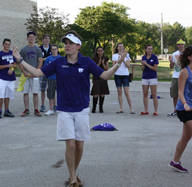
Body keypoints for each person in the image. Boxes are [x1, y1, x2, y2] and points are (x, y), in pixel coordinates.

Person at [13, 30, 128, 187]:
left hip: (81, 109)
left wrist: (119, 63)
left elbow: (105, 76)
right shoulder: (58, 62)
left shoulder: (86, 62)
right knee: (71, 144)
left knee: (80, 145)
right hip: (64, 110)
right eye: (65, 43)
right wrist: (20, 60)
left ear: (78, 46)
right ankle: (73, 178)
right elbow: (37, 72)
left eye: (70, 43)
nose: (67, 46)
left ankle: (74, 171)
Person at [168, 44, 192, 177]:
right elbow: (180, 91)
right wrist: (185, 103)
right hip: (184, 109)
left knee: (185, 138)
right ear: (189, 57)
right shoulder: (184, 72)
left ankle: (175, 161)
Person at [19, 31, 43, 117]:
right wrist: (24, 71)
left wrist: (36, 72)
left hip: (34, 75)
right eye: (30, 37)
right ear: (27, 38)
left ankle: (36, 109)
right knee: (25, 92)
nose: (31, 38)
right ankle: (26, 109)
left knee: (35, 92)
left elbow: (40, 62)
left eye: (33, 37)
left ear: (35, 38)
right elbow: (19, 62)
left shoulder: (38, 49)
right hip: (25, 75)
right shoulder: (23, 49)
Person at [0, 38, 17, 119]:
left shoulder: (12, 53)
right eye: (6, 44)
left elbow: (15, 64)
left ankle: (6, 110)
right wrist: (7, 66)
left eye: (9, 44)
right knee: (0, 94)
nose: (7, 45)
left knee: (8, 95)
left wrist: (12, 69)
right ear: (3, 44)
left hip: (10, 78)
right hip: (2, 78)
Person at [112, 42, 134, 114]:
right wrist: (119, 60)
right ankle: (121, 108)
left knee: (127, 92)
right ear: (117, 48)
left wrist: (123, 58)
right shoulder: (114, 56)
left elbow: (128, 66)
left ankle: (131, 109)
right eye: (120, 46)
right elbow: (114, 66)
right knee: (119, 92)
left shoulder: (127, 55)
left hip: (125, 75)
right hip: (117, 75)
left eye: (122, 46)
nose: (121, 48)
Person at [168, 39, 185, 116]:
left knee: (184, 93)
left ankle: (184, 109)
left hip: (185, 75)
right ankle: (176, 109)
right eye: (179, 44)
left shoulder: (187, 53)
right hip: (176, 76)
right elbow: (171, 67)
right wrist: (171, 61)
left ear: (184, 44)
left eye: (182, 44)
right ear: (177, 45)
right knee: (175, 93)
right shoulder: (174, 54)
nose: (180, 45)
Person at [140, 44, 159, 116]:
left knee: (154, 94)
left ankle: (155, 111)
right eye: (148, 49)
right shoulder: (143, 57)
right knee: (145, 94)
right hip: (145, 77)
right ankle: (146, 110)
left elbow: (155, 68)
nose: (150, 50)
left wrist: (147, 64)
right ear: (145, 50)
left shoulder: (155, 57)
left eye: (151, 49)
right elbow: (142, 69)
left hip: (153, 77)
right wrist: (143, 65)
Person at [90, 46, 109, 113]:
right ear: (97, 52)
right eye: (99, 51)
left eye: (101, 50)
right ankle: (94, 107)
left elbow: (106, 69)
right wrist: (98, 63)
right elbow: (93, 68)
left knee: (102, 93)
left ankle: (101, 107)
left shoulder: (106, 59)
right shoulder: (94, 59)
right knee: (96, 93)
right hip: (97, 77)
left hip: (103, 77)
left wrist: (103, 63)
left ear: (103, 51)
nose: (100, 52)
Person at [44, 44, 61, 116]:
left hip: (59, 78)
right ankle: (51, 109)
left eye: (55, 49)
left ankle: (60, 108)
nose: (54, 50)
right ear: (51, 50)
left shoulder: (60, 58)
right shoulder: (48, 59)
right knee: (51, 94)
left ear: (57, 50)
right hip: (51, 78)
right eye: (53, 49)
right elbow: (45, 68)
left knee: (60, 94)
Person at [39, 34, 52, 112]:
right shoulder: (39, 49)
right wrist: (46, 59)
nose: (47, 40)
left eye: (48, 38)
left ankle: (53, 105)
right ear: (43, 40)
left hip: (51, 71)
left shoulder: (53, 48)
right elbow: (39, 59)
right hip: (42, 71)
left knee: (52, 89)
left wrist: (44, 59)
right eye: (46, 38)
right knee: (42, 89)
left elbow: (56, 58)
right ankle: (43, 105)